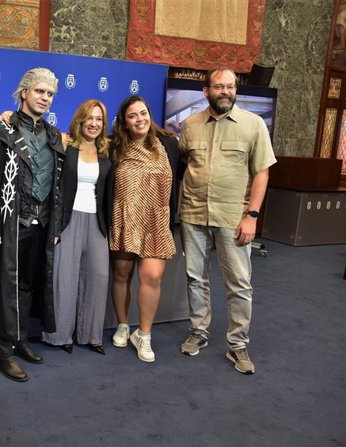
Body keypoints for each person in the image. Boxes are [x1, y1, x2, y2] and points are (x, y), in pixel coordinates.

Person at [178, 68, 276, 374]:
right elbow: (184, 163)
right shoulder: (190, 125)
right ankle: (199, 332)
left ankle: (237, 345)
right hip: (193, 213)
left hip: (234, 218)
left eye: (230, 86)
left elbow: (262, 172)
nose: (225, 91)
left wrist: (252, 216)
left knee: (239, 284)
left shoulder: (253, 125)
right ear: (206, 90)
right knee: (196, 277)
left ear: (236, 91)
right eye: (218, 86)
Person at [0, 68, 65, 382]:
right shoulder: (0, 129)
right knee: (6, 285)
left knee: (28, 283)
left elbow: (58, 184)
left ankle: (20, 338)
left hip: (42, 224)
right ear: (24, 92)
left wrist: (55, 228)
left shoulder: (54, 135)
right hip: (12, 222)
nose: (45, 98)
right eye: (39, 91)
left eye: (50, 94)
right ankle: (3, 349)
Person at [108, 95, 179, 363]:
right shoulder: (115, 148)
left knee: (151, 276)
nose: (140, 119)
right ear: (124, 123)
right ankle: (123, 325)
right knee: (122, 272)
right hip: (125, 219)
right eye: (133, 115)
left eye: (143, 113)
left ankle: (144, 335)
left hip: (156, 222)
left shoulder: (169, 144)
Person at [41, 99, 113, 355]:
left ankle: (90, 334)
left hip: (97, 222)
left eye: (99, 119)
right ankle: (60, 335)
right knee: (65, 278)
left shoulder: (107, 150)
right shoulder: (64, 144)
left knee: (98, 277)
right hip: (67, 220)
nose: (94, 124)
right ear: (80, 120)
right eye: (89, 118)